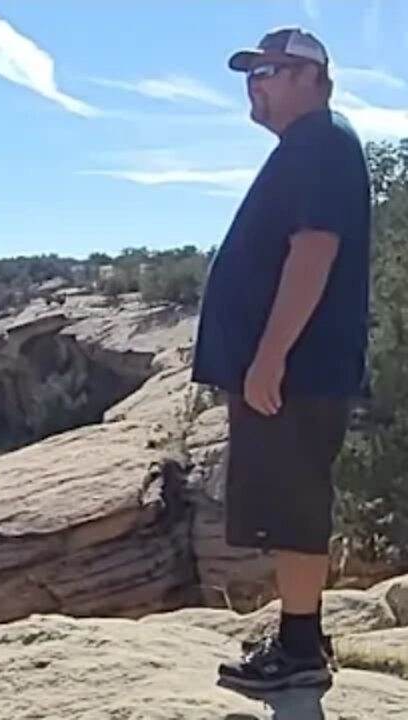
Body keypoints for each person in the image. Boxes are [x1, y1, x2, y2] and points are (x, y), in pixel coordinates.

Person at [191, 26, 371, 691]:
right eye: (250, 73)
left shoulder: (321, 142)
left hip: (298, 370)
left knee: (294, 506)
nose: (254, 84)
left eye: (267, 71)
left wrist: (270, 357)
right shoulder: (311, 146)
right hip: (295, 369)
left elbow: (313, 251)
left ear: (309, 77)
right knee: (289, 503)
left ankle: (297, 654)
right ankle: (302, 633)